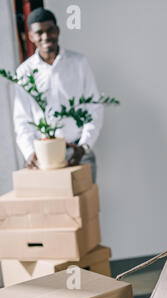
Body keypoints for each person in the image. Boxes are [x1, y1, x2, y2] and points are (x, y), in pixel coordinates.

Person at [13, 8, 103, 182]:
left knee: (86, 207)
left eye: (50, 30)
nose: (46, 37)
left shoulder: (78, 63)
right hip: (44, 158)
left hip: (78, 153)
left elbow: (94, 107)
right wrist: (29, 152)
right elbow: (22, 119)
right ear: (31, 36)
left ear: (58, 31)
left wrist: (84, 146)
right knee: (54, 208)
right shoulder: (24, 73)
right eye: (39, 33)